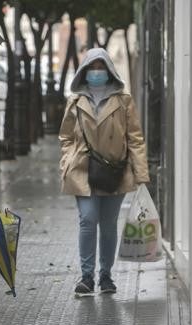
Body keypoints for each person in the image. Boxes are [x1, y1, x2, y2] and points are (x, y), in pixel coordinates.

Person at [58, 48, 149, 295]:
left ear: (108, 70)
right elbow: (65, 136)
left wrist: (140, 174)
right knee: (88, 219)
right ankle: (86, 277)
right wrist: (67, 160)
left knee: (108, 224)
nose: (96, 72)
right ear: (85, 71)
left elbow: (135, 139)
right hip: (83, 170)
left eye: (101, 67)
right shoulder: (75, 101)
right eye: (92, 67)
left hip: (114, 170)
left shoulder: (123, 100)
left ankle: (105, 276)